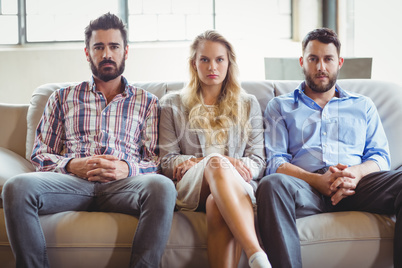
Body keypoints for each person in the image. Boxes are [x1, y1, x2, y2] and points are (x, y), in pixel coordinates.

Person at [2, 13, 176, 268]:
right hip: (70, 184)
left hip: (124, 186)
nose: (107, 53)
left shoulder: (147, 102)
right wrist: (73, 165)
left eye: (114, 46)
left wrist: (126, 168)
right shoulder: (62, 97)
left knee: (162, 187)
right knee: (16, 187)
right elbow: (40, 154)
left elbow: (155, 160)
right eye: (99, 47)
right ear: (87, 53)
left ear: (126, 51)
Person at [257, 27, 402, 267]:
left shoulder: (363, 105)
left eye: (328, 59)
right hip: (306, 188)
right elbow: (276, 163)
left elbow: (380, 156)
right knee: (271, 184)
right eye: (313, 59)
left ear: (339, 62)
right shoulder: (280, 106)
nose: (321, 67)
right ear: (303, 62)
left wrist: (355, 174)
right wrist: (317, 181)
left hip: (358, 186)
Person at [159, 30, 270, 268]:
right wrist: (211, 162)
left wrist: (222, 164)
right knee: (216, 162)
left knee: (215, 203)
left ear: (229, 63)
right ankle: (256, 253)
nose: (213, 66)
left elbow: (258, 161)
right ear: (194, 64)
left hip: (235, 185)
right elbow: (167, 161)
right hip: (191, 187)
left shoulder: (248, 104)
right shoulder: (172, 103)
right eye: (205, 59)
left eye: (220, 59)